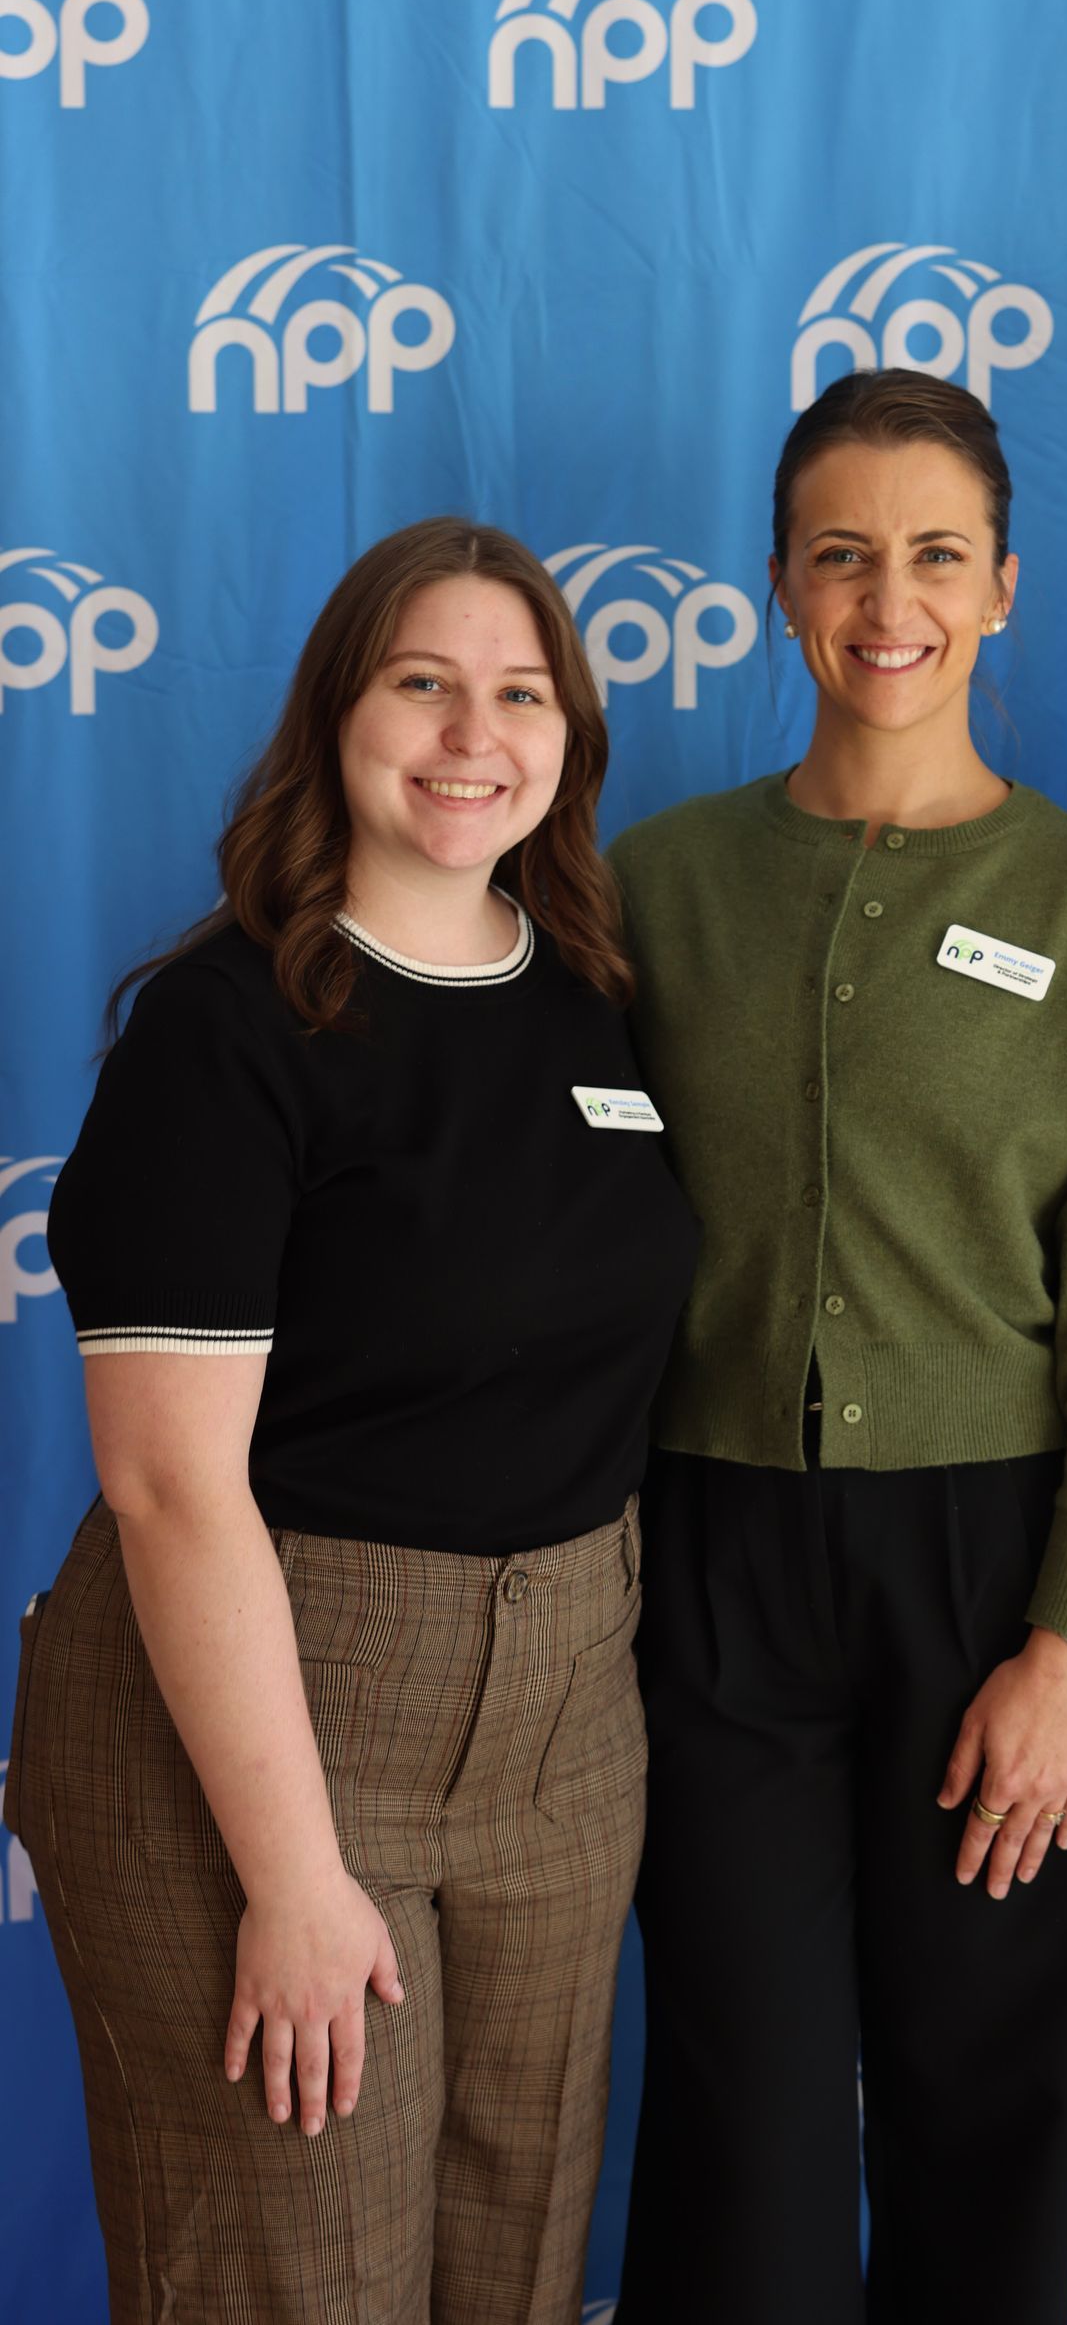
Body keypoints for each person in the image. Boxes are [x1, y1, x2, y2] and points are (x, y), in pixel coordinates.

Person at [5, 518, 698, 2325]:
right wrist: (294, 1879)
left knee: (513, 2271)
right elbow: (168, 1493)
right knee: (294, 2283)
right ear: (335, 717)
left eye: (521, 694)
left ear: (569, 742)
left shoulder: (595, 1007)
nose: (474, 734)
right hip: (267, 1732)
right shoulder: (225, 1032)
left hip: (562, 1742)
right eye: (423, 683)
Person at [604, 367, 1067, 2325]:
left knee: (982, 2107)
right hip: (708, 1566)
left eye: (938, 555)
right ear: (776, 584)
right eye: (845, 554)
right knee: (742, 2129)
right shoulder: (653, 890)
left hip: (996, 1577)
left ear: (1007, 587)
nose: (893, 602)